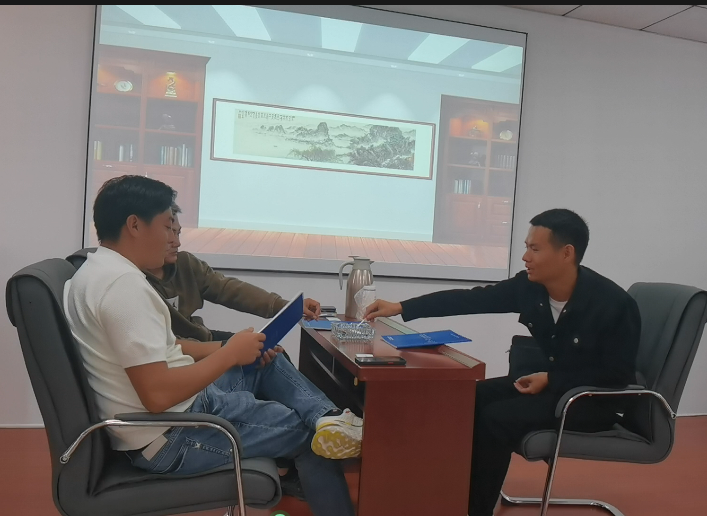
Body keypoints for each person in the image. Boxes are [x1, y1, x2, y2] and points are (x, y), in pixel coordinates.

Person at [63, 175, 362, 516]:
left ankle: (330, 417)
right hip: (174, 435)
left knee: (264, 361)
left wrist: (230, 349)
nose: (173, 238)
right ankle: (327, 429)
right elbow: (157, 395)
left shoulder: (94, 272)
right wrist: (230, 353)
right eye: (167, 226)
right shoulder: (123, 287)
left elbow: (163, 349)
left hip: (175, 416)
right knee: (311, 438)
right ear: (134, 225)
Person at [364, 208, 641, 516]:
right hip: (554, 385)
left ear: (566, 253)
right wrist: (402, 307)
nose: (525, 257)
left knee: (496, 419)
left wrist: (552, 379)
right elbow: (471, 299)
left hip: (591, 400)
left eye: (535, 249)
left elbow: (616, 375)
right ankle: (450, 493)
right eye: (526, 247)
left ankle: (474, 509)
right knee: (468, 397)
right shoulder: (530, 287)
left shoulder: (613, 304)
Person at [140, 204, 319, 366]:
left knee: (275, 354)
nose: (176, 242)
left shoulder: (185, 263)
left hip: (203, 339)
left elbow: (229, 289)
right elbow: (168, 347)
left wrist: (285, 306)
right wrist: (228, 350)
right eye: (169, 232)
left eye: (178, 233)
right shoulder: (134, 282)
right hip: (181, 355)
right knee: (265, 358)